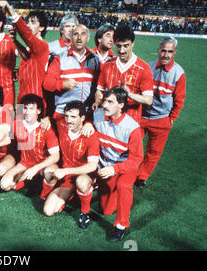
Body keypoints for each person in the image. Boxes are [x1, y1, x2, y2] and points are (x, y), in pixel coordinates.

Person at [93, 87, 143, 242]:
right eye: (104, 101)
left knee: (124, 186)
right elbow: (85, 120)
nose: (105, 105)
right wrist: (87, 124)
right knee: (106, 210)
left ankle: (121, 226)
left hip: (124, 168)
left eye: (110, 102)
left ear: (121, 105)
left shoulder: (132, 127)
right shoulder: (97, 115)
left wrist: (115, 169)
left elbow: (136, 159)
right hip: (104, 168)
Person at [136, 37, 186, 188]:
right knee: (131, 146)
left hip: (162, 120)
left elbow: (179, 98)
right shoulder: (148, 67)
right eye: (163, 50)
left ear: (175, 53)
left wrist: (172, 118)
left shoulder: (178, 73)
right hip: (142, 116)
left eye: (170, 51)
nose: (166, 54)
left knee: (153, 152)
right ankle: (127, 173)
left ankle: (141, 177)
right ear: (158, 51)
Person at [42, 101, 100, 229]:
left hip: (83, 175)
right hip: (67, 179)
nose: (69, 120)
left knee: (82, 182)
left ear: (82, 118)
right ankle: (63, 196)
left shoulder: (91, 135)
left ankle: (85, 212)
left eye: (73, 117)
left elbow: (92, 166)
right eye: (67, 116)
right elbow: (52, 119)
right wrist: (46, 118)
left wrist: (65, 171)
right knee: (48, 211)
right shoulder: (62, 124)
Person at [42, 24, 100, 134]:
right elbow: (47, 83)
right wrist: (62, 84)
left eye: (83, 34)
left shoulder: (95, 60)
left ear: (88, 38)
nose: (79, 38)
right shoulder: (60, 58)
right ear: (71, 37)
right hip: (63, 115)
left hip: (86, 116)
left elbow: (99, 87)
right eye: (76, 34)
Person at [93, 23, 154, 123]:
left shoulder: (143, 68)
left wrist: (129, 94)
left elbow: (148, 100)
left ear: (132, 43)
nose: (122, 50)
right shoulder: (108, 65)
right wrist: (97, 100)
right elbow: (99, 90)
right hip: (108, 121)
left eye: (126, 46)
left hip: (130, 122)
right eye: (118, 46)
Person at [0, 94, 60, 192]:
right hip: (25, 163)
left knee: (49, 172)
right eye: (25, 108)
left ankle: (39, 183)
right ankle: (29, 181)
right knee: (4, 185)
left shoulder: (45, 128)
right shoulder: (17, 124)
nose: (27, 112)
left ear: (39, 111)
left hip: (43, 164)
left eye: (31, 109)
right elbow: (7, 139)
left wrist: (36, 168)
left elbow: (56, 156)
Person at [0, 1, 49, 108]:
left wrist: (10, 10)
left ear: (42, 27)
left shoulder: (43, 46)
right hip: (21, 100)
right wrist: (14, 40)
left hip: (34, 101)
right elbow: (27, 58)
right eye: (28, 22)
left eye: (33, 22)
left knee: (31, 125)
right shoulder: (29, 49)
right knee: (19, 124)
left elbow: (27, 35)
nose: (28, 25)